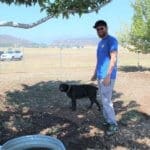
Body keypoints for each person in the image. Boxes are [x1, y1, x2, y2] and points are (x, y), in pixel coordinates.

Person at [91, 20, 118, 136]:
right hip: (100, 76)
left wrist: (108, 75)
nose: (99, 31)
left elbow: (113, 58)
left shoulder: (111, 40)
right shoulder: (100, 43)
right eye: (98, 29)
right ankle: (108, 121)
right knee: (103, 100)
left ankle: (113, 124)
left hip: (107, 76)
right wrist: (95, 73)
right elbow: (100, 61)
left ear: (106, 28)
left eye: (101, 28)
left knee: (107, 101)